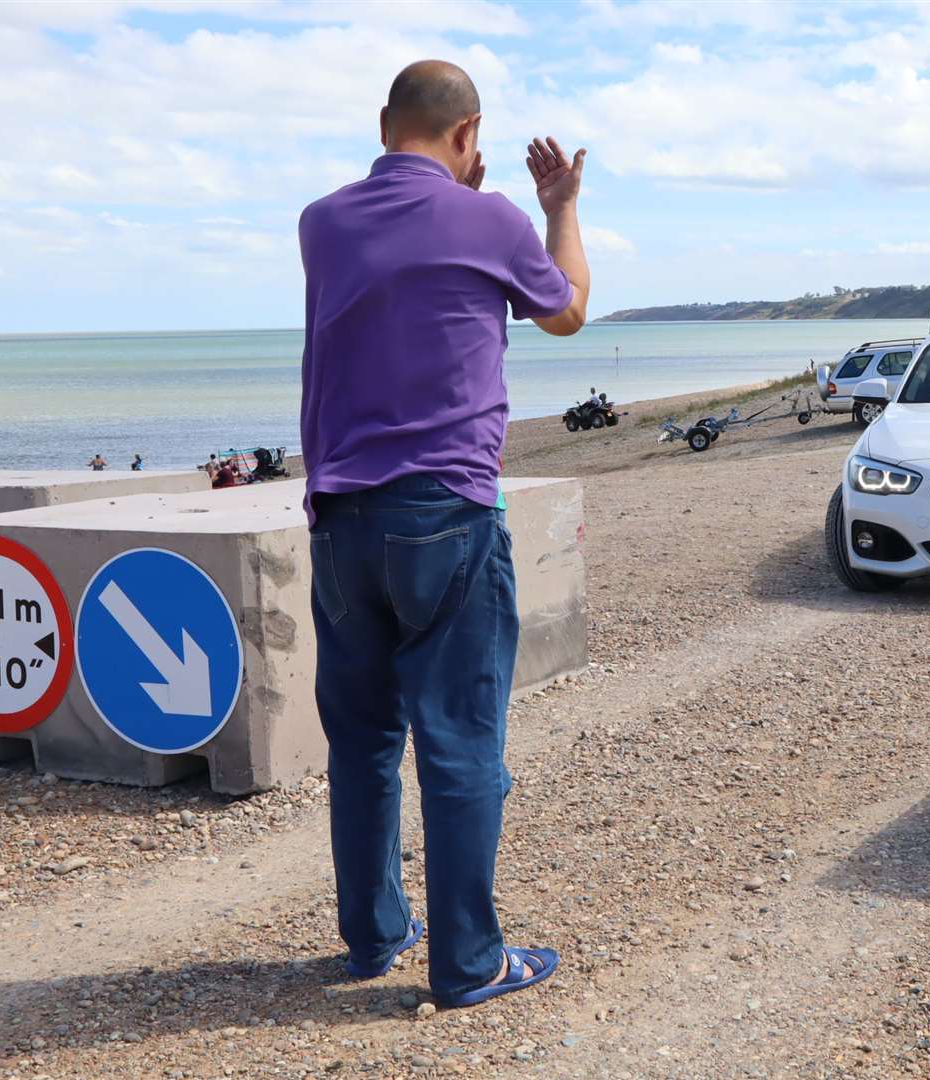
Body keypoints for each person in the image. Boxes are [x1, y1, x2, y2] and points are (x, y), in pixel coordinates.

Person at [299, 59, 589, 1008]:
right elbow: (567, 314)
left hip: (340, 518)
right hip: (445, 513)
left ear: (385, 125)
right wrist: (557, 207)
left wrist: (462, 183)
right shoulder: (492, 217)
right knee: (460, 745)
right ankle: (469, 964)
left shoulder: (322, 222)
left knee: (364, 744)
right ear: (469, 135)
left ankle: (373, 937)